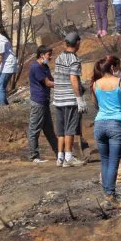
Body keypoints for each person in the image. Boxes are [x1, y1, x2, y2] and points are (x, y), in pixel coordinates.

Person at [91, 55, 121, 203]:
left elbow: (95, 104)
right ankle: (110, 194)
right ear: (113, 68)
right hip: (116, 123)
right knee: (114, 161)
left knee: (105, 160)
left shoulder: (95, 84)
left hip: (99, 123)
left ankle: (107, 193)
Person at [53, 32, 86, 167]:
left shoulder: (59, 58)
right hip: (69, 98)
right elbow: (73, 79)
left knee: (61, 129)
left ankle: (60, 157)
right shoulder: (74, 60)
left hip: (58, 98)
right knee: (70, 128)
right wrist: (79, 98)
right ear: (77, 43)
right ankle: (69, 157)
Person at [28, 45, 57, 163]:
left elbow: (52, 80)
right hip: (38, 102)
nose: (50, 57)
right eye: (48, 55)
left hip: (44, 102)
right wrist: (64, 84)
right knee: (34, 130)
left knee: (49, 130)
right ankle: (34, 156)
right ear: (41, 55)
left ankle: (59, 153)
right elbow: (48, 83)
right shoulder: (36, 67)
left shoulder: (44, 66)